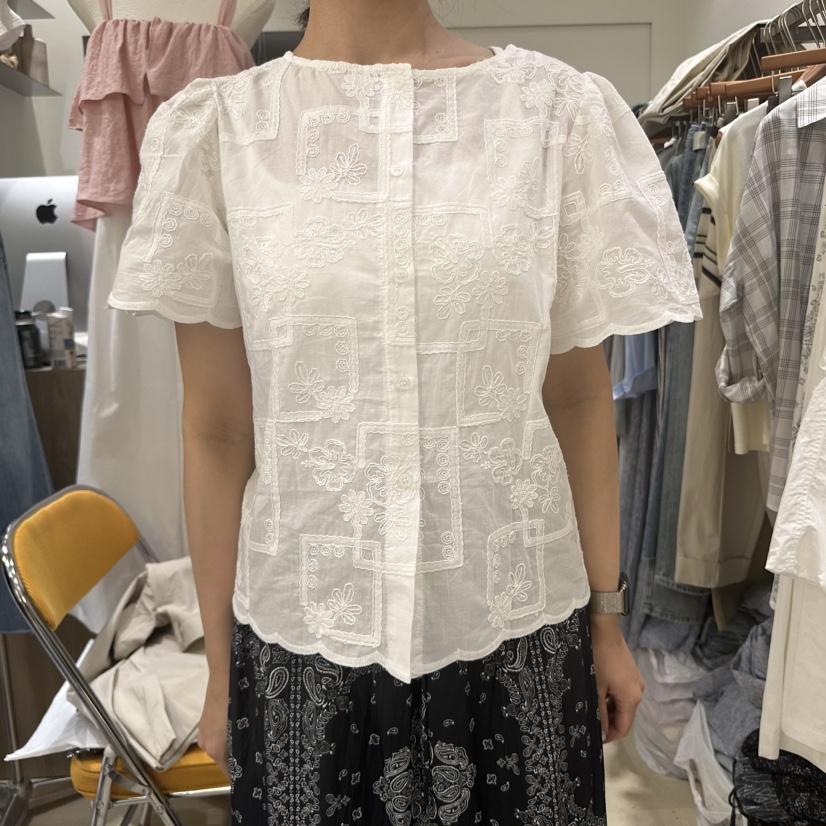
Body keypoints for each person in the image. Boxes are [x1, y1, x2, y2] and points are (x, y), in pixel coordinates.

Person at [107, 0, 701, 822]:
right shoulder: (219, 134)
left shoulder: (554, 116)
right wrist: (218, 673)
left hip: (519, 631)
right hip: (302, 643)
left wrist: (608, 623)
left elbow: (575, 394)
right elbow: (218, 429)